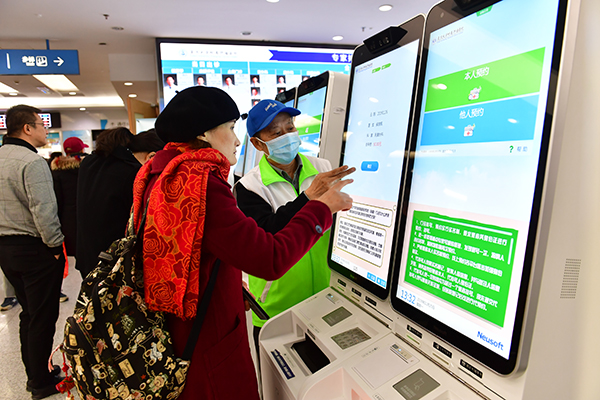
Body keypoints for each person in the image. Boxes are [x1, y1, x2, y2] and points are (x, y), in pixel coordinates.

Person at [131, 86, 352, 400]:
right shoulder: (201, 184)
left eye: (290, 128)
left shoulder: (162, 173)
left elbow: (190, 249)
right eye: (231, 128)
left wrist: (228, 281)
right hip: (208, 338)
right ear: (205, 134)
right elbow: (269, 258)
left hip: (183, 325)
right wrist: (320, 208)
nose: (236, 141)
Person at [234, 99, 355, 357]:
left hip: (327, 299)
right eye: (276, 133)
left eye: (290, 128)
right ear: (258, 144)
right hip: (276, 308)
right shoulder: (249, 187)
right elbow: (267, 234)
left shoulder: (322, 169)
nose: (287, 136)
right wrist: (309, 198)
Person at [0, 104, 65, 399]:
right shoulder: (32, 162)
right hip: (34, 249)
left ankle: (34, 373)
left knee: (28, 313)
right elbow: (44, 210)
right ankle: (40, 382)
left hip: (6, 248)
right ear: (27, 128)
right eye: (41, 124)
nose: (45, 130)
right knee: (42, 316)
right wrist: (55, 246)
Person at [76, 128, 164, 278]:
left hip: (86, 253)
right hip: (114, 261)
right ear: (151, 156)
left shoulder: (90, 162)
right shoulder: (132, 172)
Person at [51, 136, 89, 302]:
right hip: (86, 218)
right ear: (81, 150)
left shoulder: (56, 170)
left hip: (66, 221)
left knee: (62, 257)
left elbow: (56, 200)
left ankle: (58, 290)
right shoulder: (87, 168)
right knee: (87, 257)